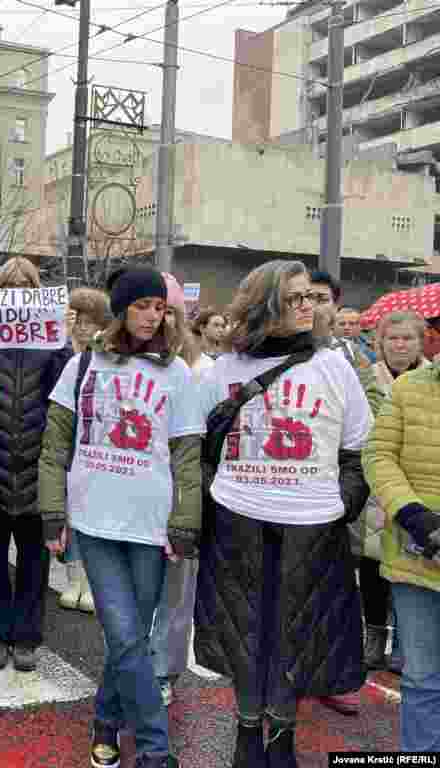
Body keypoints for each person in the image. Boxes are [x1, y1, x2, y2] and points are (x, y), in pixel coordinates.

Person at [194, 260, 371, 768]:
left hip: (313, 526)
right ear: (265, 302)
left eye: (312, 298)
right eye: (295, 298)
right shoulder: (225, 368)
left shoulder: (334, 364)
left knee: (298, 640)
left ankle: (283, 735)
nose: (308, 306)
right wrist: (216, 496)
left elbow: (358, 448)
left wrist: (342, 505)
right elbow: (199, 447)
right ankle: (248, 730)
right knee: (245, 638)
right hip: (238, 522)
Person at [39, 266, 203, 768]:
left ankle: (106, 721)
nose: (153, 316)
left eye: (160, 307)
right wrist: (52, 513)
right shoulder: (83, 367)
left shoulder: (176, 374)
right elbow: (54, 447)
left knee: (128, 638)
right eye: (142, 306)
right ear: (121, 309)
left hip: (151, 526)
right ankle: (155, 747)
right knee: (127, 636)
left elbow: (187, 458)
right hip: (95, 521)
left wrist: (185, 524)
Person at [0, 258, 71, 672]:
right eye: (10, 286)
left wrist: (62, 339)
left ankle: (26, 637)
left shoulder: (52, 342)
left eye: (27, 286)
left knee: (33, 560)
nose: (19, 293)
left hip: (37, 465)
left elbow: (65, 390)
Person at [363, 325, 440, 753]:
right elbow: (378, 455)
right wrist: (413, 515)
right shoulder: (409, 389)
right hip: (418, 557)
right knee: (423, 677)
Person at [148, 273, 210, 708]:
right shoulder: (123, 362)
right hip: (134, 491)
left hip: (181, 493)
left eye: (169, 310)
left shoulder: (203, 370)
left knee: (175, 592)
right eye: (153, 309)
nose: (161, 319)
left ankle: (164, 671)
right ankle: (129, 668)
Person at [355, 312, 425, 675]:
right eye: (393, 339)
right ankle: (374, 635)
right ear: (380, 343)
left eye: (407, 339)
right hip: (375, 487)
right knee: (372, 566)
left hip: (420, 486)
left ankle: (404, 640)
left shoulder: (429, 379)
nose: (400, 346)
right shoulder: (367, 379)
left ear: (421, 342)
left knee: (412, 565)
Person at [55, 286, 110, 616]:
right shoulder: (66, 352)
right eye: (79, 320)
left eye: (91, 321)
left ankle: (91, 581)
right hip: (70, 441)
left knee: (95, 511)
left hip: (98, 444)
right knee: (69, 512)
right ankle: (73, 578)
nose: (84, 327)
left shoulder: (107, 355)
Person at [307, 270, 369, 369]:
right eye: (308, 298)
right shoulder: (283, 350)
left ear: (336, 306)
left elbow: (367, 383)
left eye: (322, 299)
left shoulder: (350, 351)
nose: (313, 306)